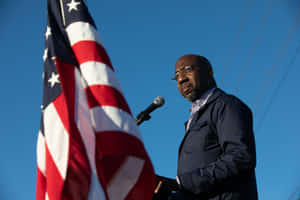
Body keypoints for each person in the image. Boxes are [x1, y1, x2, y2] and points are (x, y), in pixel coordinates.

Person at [168, 54, 258, 200]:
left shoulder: (226, 105)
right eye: (176, 75)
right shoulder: (194, 116)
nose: (181, 79)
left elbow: (241, 157)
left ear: (209, 71)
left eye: (187, 70)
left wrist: (183, 182)